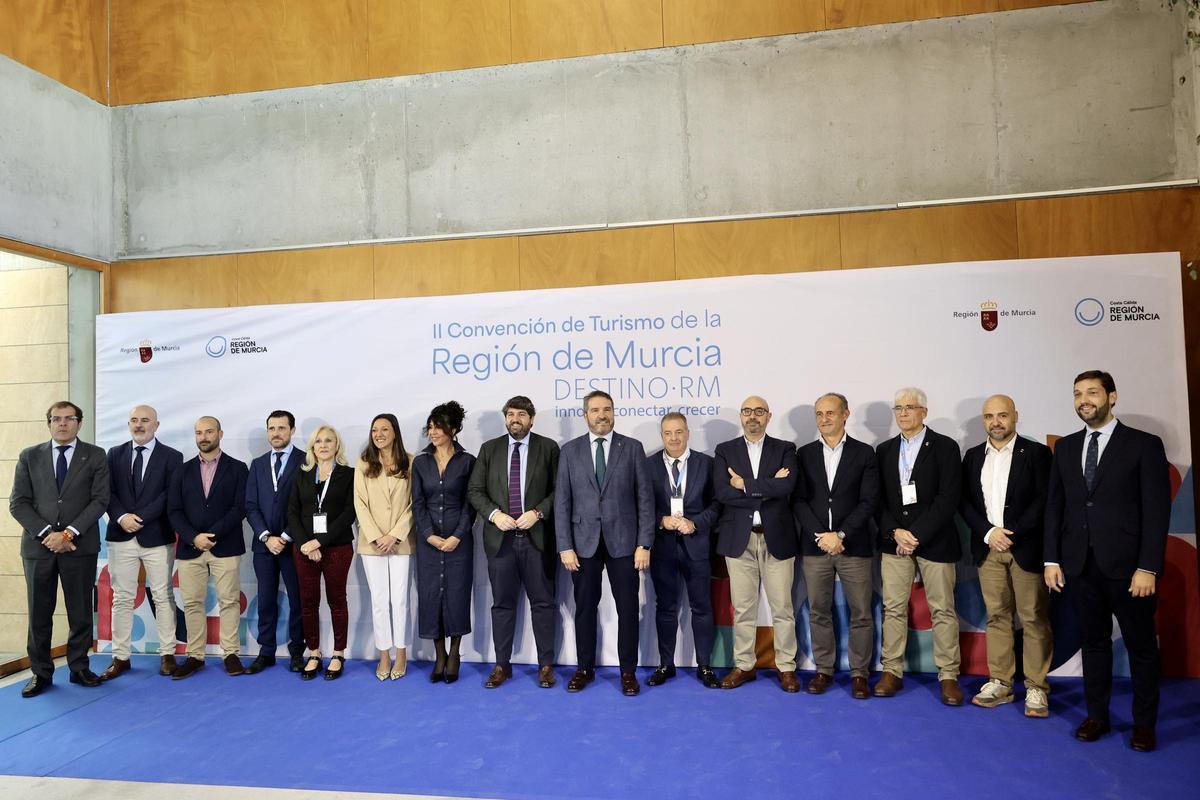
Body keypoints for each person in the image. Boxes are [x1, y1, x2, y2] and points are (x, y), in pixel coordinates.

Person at [1044, 370, 1171, 752]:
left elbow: (1156, 511)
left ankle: (1144, 724)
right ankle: (1096, 715)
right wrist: (1052, 559)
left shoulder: (1143, 445)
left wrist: (1147, 567)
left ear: (1112, 397)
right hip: (1080, 566)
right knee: (1093, 644)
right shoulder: (1066, 448)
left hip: (1130, 570)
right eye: (1077, 393)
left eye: (1092, 392)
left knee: (1141, 647)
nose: (1084, 400)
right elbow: (1055, 507)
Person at [555, 390, 654, 696]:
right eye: (596, 410)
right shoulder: (569, 451)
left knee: (628, 609)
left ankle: (628, 672)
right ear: (585, 415)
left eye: (607, 409)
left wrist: (644, 543)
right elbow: (562, 502)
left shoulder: (632, 448)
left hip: (625, 543)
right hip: (582, 544)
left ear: (613, 412)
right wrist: (564, 546)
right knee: (585, 608)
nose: (602, 415)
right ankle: (584, 668)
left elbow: (645, 499)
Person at [960, 394, 1053, 717]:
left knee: (1033, 618)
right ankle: (1000, 681)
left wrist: (1011, 533)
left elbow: (1043, 500)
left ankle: (1036, 687)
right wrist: (989, 533)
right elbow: (965, 502)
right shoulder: (973, 456)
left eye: (1002, 415)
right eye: (989, 417)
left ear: (1015, 416)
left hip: (1024, 548)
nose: (995, 422)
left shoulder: (1037, 454)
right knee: (997, 616)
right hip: (988, 549)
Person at [9, 401, 110, 698]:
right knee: (39, 613)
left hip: (79, 546)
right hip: (38, 548)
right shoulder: (30, 456)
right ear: (49, 423)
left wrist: (67, 534)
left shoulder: (95, 455)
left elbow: (100, 500)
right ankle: (40, 674)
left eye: (69, 418)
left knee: (80, 611)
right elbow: (18, 503)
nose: (62, 423)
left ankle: (79, 668)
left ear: (80, 423)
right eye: (56, 419)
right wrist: (48, 535)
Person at [874, 388, 963, 705]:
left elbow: (949, 498)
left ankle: (948, 675)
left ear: (924, 411)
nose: (903, 413)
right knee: (893, 608)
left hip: (935, 540)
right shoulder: (884, 450)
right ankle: (891, 671)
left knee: (943, 609)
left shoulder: (945, 447)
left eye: (910, 407)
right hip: (895, 541)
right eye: (898, 407)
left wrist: (917, 534)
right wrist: (895, 531)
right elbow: (876, 499)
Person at [467, 396, 560, 689]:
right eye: (510, 414)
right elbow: (475, 490)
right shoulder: (489, 449)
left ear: (531, 419)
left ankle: (546, 666)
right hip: (501, 542)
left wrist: (538, 512)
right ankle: (501, 665)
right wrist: (495, 515)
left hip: (537, 541)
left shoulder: (548, 448)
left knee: (543, 604)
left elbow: (560, 490)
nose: (515, 419)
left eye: (521, 414)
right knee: (502, 606)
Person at [793, 393, 880, 699]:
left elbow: (869, 501)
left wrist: (840, 534)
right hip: (815, 546)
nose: (824, 419)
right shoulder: (804, 454)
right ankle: (823, 670)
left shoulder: (864, 453)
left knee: (861, 613)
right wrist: (822, 535)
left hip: (853, 546)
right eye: (819, 414)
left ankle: (859, 673)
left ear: (845, 414)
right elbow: (798, 501)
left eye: (830, 412)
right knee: (818, 611)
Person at [713, 395, 800, 693]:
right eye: (747, 411)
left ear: (768, 416)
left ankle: (786, 667)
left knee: (783, 608)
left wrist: (744, 485)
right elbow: (723, 493)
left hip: (777, 538)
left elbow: (787, 486)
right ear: (741, 416)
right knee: (743, 608)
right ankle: (744, 665)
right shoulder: (725, 450)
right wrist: (767, 487)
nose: (753, 416)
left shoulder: (785, 449)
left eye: (759, 411)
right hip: (739, 539)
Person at [103, 404, 183, 680]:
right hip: (121, 534)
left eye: (145, 420)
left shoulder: (172, 456)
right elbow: (107, 492)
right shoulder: (114, 454)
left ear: (156, 425)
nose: (139, 425)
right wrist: (122, 517)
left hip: (157, 536)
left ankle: (167, 655)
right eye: (134, 420)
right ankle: (120, 657)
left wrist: (141, 518)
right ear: (129, 424)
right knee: (122, 598)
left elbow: (169, 494)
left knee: (163, 596)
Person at [167, 416, 249, 680]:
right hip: (191, 548)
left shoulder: (238, 468)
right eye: (199, 432)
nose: (203, 437)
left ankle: (231, 653)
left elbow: (240, 507)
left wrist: (212, 535)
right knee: (192, 603)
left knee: (229, 601)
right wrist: (194, 537)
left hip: (226, 545)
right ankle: (195, 656)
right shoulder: (182, 471)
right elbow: (174, 510)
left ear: (220, 434)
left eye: (209, 431)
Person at [646, 412, 720, 689]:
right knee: (665, 608)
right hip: (663, 548)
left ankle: (705, 666)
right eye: (668, 433)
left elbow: (717, 505)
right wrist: (660, 520)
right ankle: (666, 664)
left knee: (701, 607)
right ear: (661, 436)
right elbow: (641, 505)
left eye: (679, 432)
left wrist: (695, 523)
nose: (674, 438)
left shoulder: (707, 464)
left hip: (697, 547)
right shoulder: (648, 465)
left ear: (688, 433)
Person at [412, 401, 478, 684]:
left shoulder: (468, 461)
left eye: (439, 427)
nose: (433, 432)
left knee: (457, 595)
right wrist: (428, 534)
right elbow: (417, 503)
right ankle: (439, 655)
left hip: (458, 542)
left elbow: (470, 503)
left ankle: (454, 654)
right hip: (428, 542)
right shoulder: (420, 462)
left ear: (454, 429)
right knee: (431, 596)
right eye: (430, 427)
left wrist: (456, 536)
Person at [288, 425, 357, 681]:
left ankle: (338, 653)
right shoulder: (302, 474)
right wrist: (305, 543)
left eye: (329, 440)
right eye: (318, 441)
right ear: (312, 447)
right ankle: (314, 652)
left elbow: (349, 513)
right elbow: (292, 512)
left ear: (337, 445)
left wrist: (319, 543)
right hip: (304, 549)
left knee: (337, 600)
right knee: (308, 602)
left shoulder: (349, 474)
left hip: (337, 547)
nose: (324, 445)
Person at [244, 410, 306, 674]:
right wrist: (266, 536)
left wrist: (286, 536)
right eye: (272, 428)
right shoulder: (258, 464)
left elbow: (307, 505)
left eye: (282, 428)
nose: (276, 433)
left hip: (295, 544)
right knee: (266, 600)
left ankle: (297, 652)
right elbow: (250, 505)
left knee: (298, 600)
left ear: (292, 430)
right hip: (264, 546)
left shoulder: (306, 461)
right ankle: (266, 652)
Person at [354, 413, 415, 681]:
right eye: (374, 430)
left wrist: (395, 535)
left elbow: (414, 503)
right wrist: (377, 536)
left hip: (401, 542)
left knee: (399, 600)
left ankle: (401, 652)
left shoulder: (410, 461)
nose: (378, 434)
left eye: (384, 429)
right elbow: (359, 503)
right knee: (379, 600)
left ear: (395, 432)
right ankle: (384, 654)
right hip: (373, 543)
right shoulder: (364, 463)